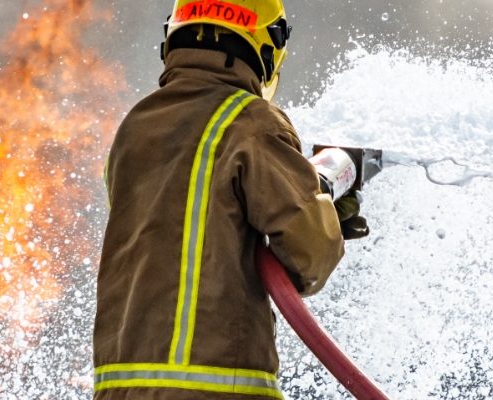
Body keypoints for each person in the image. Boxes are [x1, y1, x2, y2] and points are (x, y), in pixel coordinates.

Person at [93, 1, 366, 398]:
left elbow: (186, 230)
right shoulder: (250, 121)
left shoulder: (134, 127)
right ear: (268, 47)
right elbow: (310, 258)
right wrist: (324, 215)